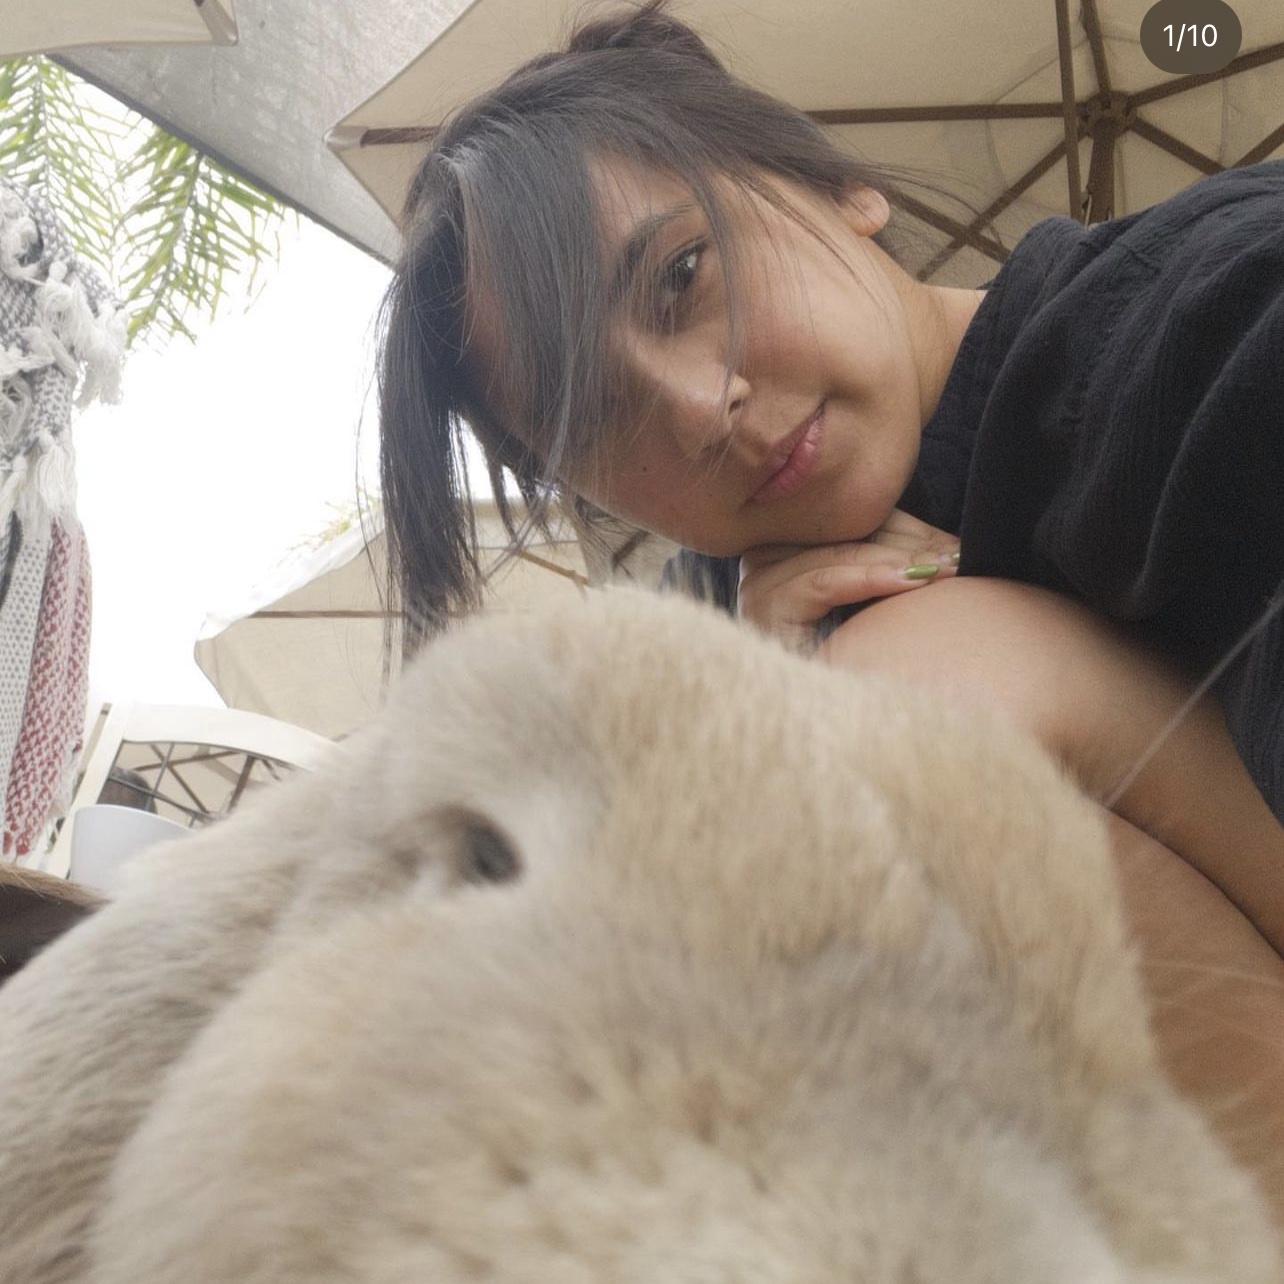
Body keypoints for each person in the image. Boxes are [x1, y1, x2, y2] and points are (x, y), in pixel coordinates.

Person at [376, 1, 1284, 1211]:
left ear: (839, 186)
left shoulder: (1215, 321)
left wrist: (844, 727)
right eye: (597, 418)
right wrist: (751, 703)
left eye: (683, 276)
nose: (698, 407)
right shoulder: (718, 620)